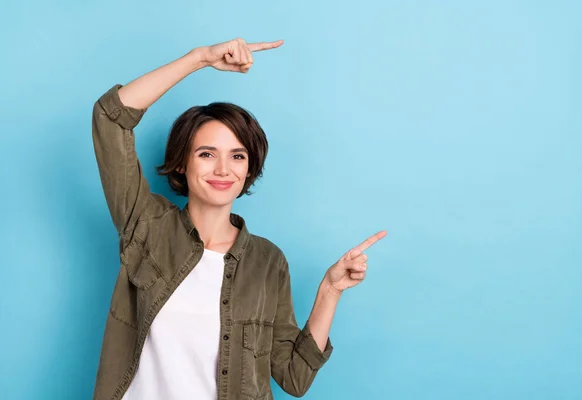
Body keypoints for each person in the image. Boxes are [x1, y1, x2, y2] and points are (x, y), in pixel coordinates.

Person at [91, 37, 387, 400]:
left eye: (237, 156)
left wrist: (330, 290)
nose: (222, 169)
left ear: (249, 169)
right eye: (206, 153)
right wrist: (199, 58)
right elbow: (109, 117)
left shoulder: (267, 261)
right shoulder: (147, 226)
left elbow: (295, 378)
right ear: (182, 163)